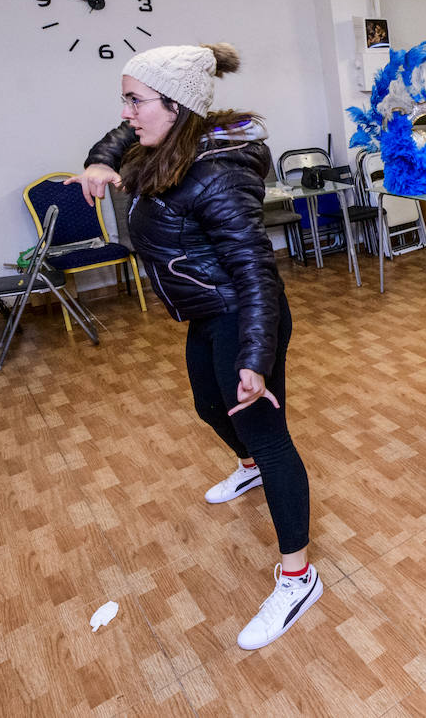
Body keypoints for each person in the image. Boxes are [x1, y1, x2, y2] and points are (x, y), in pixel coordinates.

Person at [66, 44, 319, 650]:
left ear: (176, 106)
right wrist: (99, 164)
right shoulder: (157, 145)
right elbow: (114, 137)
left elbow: (257, 270)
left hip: (242, 313)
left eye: (136, 99)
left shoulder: (216, 173)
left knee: (264, 429)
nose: (126, 112)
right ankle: (250, 469)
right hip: (204, 311)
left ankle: (298, 576)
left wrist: (256, 358)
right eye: (125, 98)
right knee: (209, 407)